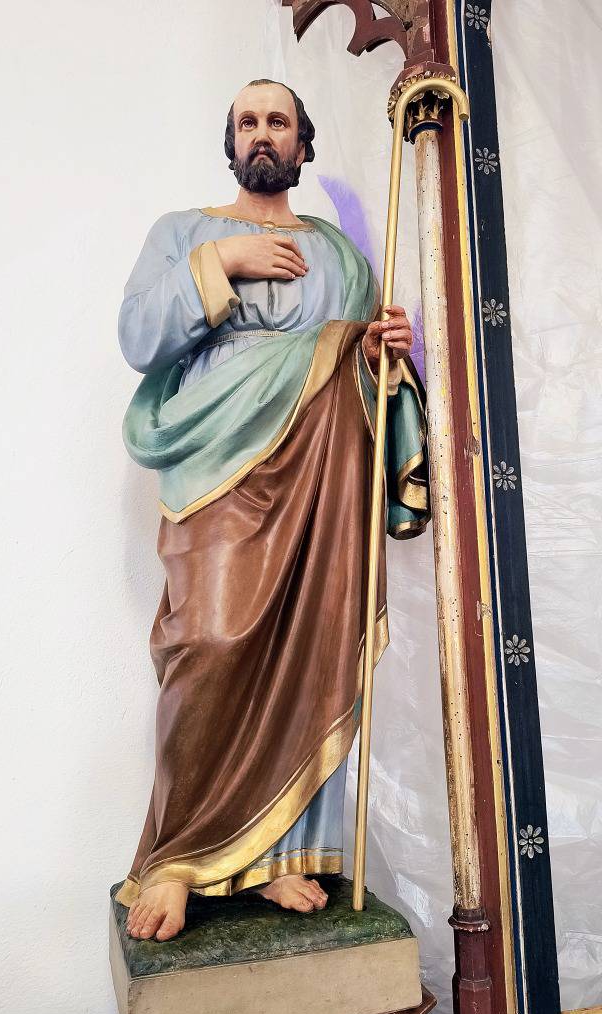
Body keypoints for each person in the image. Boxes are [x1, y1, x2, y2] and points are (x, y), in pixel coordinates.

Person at [115, 79, 429, 942]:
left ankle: (279, 854)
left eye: (277, 121)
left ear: (301, 143)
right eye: (247, 121)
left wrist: (381, 353)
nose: (262, 133)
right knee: (208, 641)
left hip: (318, 476)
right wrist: (223, 263)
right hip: (218, 465)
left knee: (308, 650)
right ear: (231, 141)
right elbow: (138, 337)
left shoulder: (341, 256)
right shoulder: (184, 232)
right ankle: (179, 855)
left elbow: (363, 373)